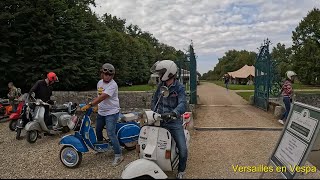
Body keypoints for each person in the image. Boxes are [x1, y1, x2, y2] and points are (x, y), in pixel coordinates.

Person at [150, 60, 188, 179]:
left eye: (162, 72)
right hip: (160, 119)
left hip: (173, 121)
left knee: (182, 149)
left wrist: (173, 113)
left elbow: (182, 104)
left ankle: (181, 171)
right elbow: (154, 101)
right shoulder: (160, 86)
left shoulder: (179, 88)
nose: (160, 75)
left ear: (169, 72)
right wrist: (152, 113)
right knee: (151, 142)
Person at [80, 63, 123, 167]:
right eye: (106, 74)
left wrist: (90, 104)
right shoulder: (99, 83)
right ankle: (101, 147)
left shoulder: (113, 85)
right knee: (98, 129)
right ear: (102, 73)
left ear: (112, 76)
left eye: (110, 75)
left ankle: (118, 155)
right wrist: (98, 107)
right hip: (102, 112)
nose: (107, 76)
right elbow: (99, 96)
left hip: (112, 112)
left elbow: (102, 97)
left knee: (110, 133)